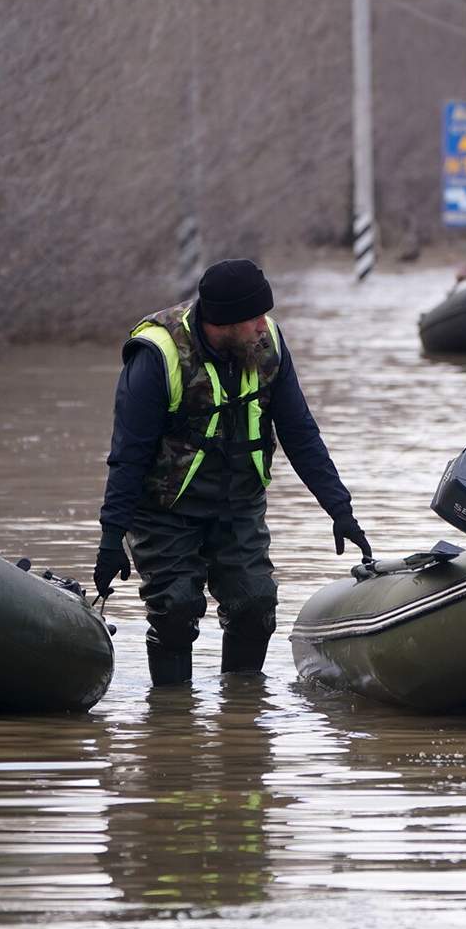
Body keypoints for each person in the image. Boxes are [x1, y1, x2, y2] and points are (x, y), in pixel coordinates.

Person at [95, 258, 372, 686]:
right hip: (165, 509)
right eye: (255, 317)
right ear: (223, 322)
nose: (265, 325)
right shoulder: (156, 355)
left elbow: (300, 433)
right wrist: (111, 538)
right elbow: (127, 454)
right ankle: (171, 721)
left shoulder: (269, 344)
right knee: (176, 610)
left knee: (255, 605)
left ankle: (241, 715)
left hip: (238, 503)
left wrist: (340, 509)